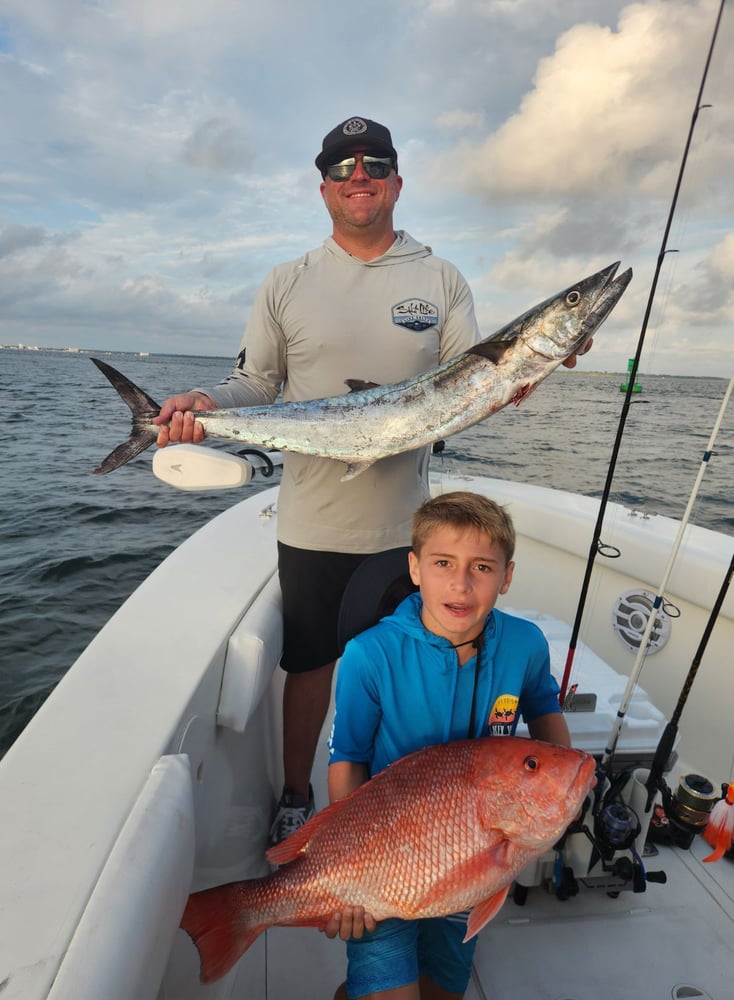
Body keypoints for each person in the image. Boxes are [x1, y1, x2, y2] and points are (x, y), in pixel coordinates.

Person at [153, 116, 588, 847]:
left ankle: (398, 811)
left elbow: (474, 376)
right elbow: (255, 382)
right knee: (310, 665)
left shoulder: (439, 278)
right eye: (343, 167)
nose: (360, 176)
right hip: (313, 519)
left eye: (375, 164)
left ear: (396, 181)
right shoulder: (287, 282)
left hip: (403, 529)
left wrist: (530, 372)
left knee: (406, 672)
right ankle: (298, 794)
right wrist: (203, 406)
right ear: (324, 186)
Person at [325, 490, 571, 1000]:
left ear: (506, 577)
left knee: (444, 991)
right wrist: (347, 871)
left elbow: (546, 710)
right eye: (443, 563)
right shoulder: (368, 656)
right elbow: (347, 760)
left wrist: (564, 794)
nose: (460, 583)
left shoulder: (525, 645)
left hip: (473, 854)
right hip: (384, 851)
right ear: (415, 569)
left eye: (482, 567)